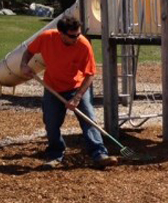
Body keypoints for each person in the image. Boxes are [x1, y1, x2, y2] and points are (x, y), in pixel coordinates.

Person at [20, 16, 118, 169]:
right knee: (51, 123)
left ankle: (99, 154)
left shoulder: (83, 45)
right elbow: (29, 51)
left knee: (89, 119)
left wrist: (77, 97)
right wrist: (23, 65)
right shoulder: (46, 38)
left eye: (78, 34)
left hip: (77, 87)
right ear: (61, 33)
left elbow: (90, 74)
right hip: (52, 88)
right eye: (73, 35)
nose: (77, 38)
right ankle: (55, 154)